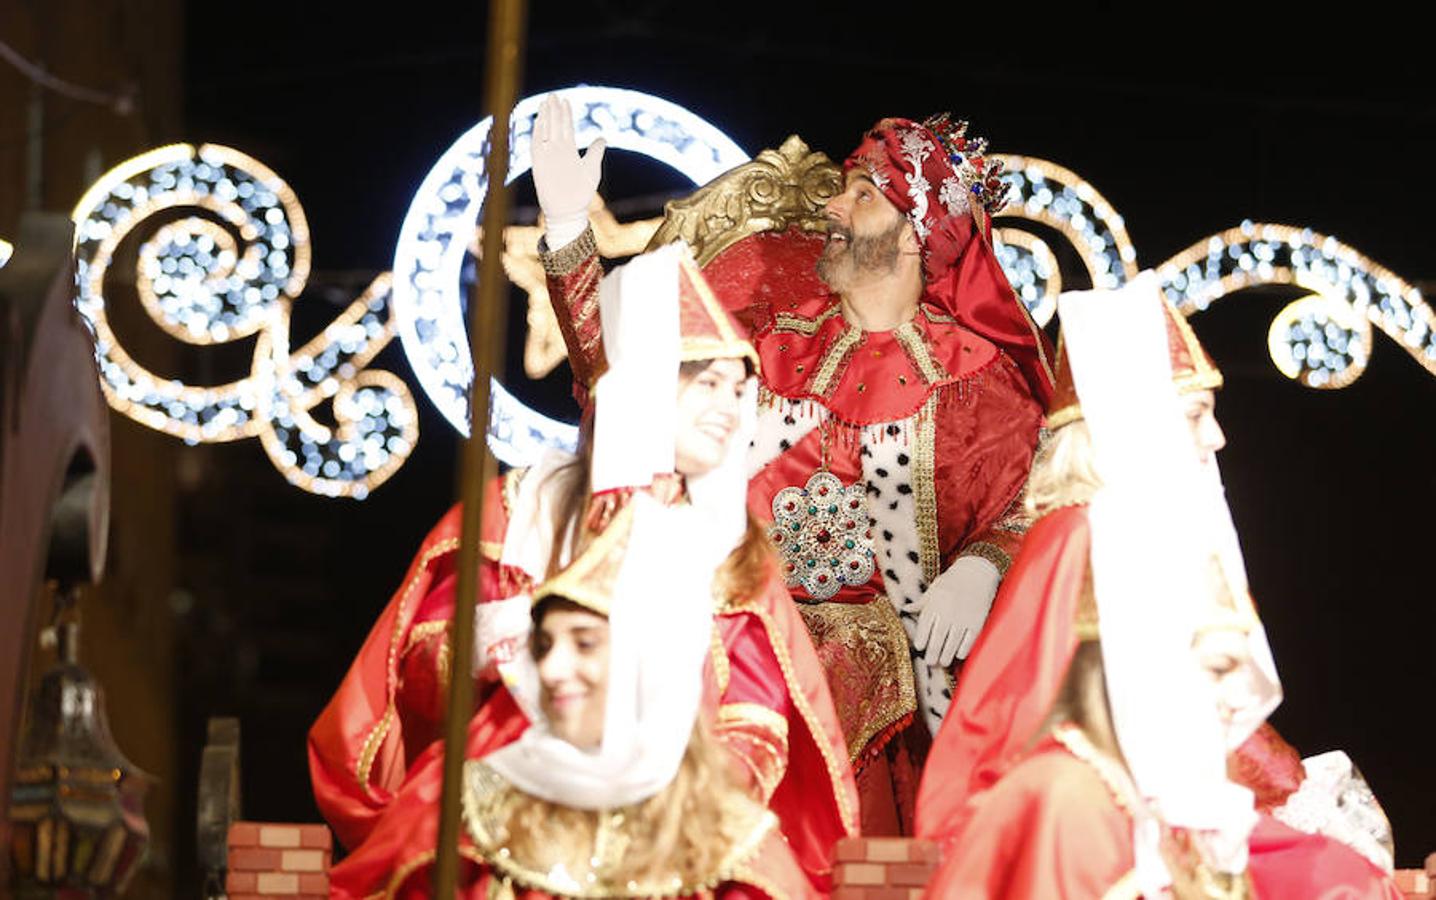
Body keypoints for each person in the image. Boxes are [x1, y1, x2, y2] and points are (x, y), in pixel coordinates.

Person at [534, 96, 1052, 833]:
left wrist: (987, 564)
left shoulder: (976, 380)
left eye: (862, 195)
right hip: (735, 656)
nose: (832, 207)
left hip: (896, 699)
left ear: (916, 235)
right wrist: (564, 231)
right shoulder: (766, 346)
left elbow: (1042, 499)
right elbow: (624, 400)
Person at [309, 244, 857, 891]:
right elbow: (426, 669)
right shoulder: (520, 512)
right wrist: (514, 641)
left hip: (680, 812)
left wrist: (688, 788)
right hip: (521, 782)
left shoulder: (729, 549)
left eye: (740, 390)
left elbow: (758, 717)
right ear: (649, 381)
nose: (731, 409)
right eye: (708, 383)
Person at [920, 273, 1399, 898]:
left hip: (1151, 795)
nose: (1218, 438)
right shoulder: (1080, 540)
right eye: (1197, 415)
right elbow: (1095, 713)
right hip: (1096, 816)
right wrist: (1290, 793)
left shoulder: (1124, 528)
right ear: (1136, 419)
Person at [329, 495, 818, 899]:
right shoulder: (461, 820)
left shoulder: (736, 853)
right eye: (542, 646)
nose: (553, 669)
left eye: (585, 643)